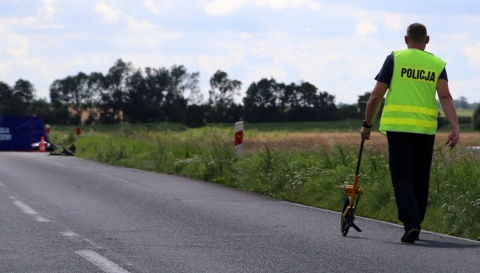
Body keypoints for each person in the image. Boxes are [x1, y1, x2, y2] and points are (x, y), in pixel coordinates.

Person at [360, 23, 460, 243]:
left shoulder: (394, 58)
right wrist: (455, 127)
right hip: (425, 129)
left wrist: (367, 124)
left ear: (406, 40)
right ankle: (416, 221)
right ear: (427, 40)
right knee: (420, 178)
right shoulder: (436, 63)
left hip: (398, 129)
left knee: (402, 177)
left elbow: (376, 96)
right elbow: (445, 97)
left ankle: (412, 223)